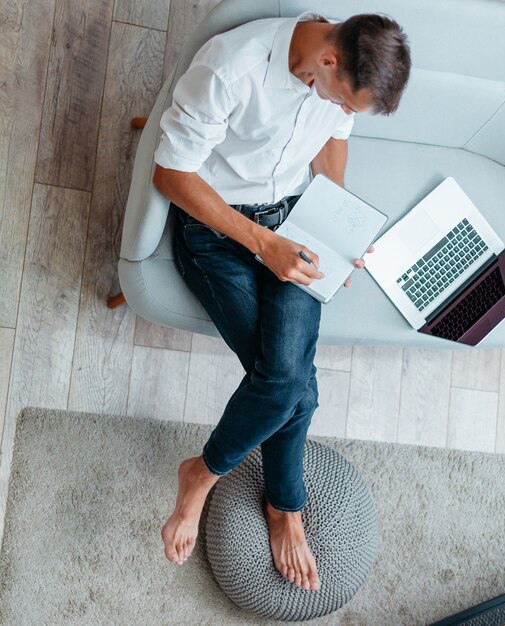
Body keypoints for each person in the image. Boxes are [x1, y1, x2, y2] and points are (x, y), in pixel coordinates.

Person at [154, 11, 411, 591]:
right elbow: (171, 174)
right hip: (218, 231)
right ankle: (265, 498)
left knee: (285, 382)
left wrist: (337, 226)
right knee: (294, 386)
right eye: (346, 101)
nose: (344, 114)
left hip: (297, 223)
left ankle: (213, 474)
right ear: (328, 60)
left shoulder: (338, 80)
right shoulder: (231, 68)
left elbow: (331, 145)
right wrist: (262, 243)